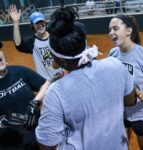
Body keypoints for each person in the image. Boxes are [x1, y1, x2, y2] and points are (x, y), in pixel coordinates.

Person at [35, 6, 136, 150]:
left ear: (62, 61)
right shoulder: (116, 64)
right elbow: (130, 100)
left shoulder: (56, 93)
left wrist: (44, 106)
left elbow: (46, 145)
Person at [108, 14, 143, 150]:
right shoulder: (112, 54)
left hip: (141, 114)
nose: (111, 33)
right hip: (120, 112)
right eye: (110, 30)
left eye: (115, 28)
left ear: (128, 31)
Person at [0, 41, 50, 150]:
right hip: (10, 144)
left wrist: (34, 102)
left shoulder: (19, 71)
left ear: (6, 59)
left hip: (36, 136)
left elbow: (45, 84)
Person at [8, 4, 62, 81]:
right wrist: (16, 22)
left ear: (45, 22)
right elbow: (18, 44)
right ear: (32, 26)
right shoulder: (31, 41)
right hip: (45, 82)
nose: (40, 25)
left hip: (60, 77)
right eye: (37, 23)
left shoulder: (54, 36)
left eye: (41, 22)